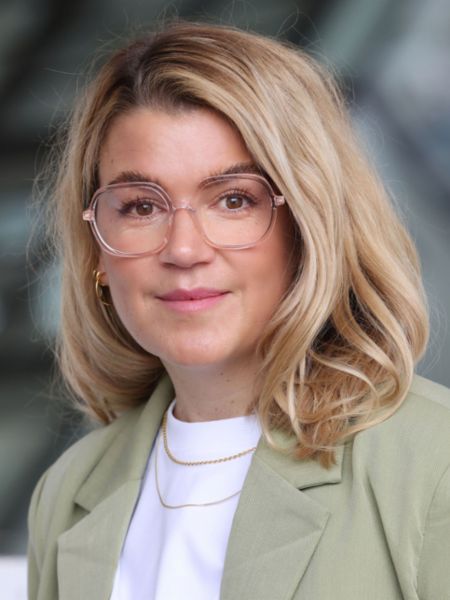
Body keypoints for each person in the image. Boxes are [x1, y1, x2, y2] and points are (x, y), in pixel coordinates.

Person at [27, 21, 450, 600]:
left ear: (309, 227)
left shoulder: (433, 463)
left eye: (233, 200)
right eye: (141, 207)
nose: (183, 250)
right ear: (97, 248)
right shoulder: (66, 492)